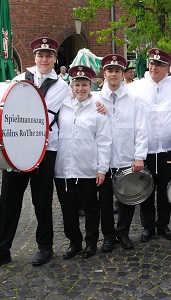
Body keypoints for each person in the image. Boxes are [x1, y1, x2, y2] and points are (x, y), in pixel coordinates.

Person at [0, 37, 71, 273]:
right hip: (16, 150)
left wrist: (98, 104)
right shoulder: (18, 80)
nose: (44, 59)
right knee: (9, 202)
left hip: (46, 150)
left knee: (42, 201)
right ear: (34, 57)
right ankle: (1, 251)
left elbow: (81, 102)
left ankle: (45, 247)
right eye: (40, 55)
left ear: (55, 58)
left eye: (49, 56)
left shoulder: (63, 87)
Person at [128, 48, 171, 242]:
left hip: (169, 148)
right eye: (152, 63)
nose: (154, 68)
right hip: (146, 150)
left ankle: (163, 224)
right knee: (146, 189)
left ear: (167, 68)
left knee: (165, 189)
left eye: (159, 65)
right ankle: (147, 227)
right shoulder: (136, 87)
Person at [55, 65, 112, 259]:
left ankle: (90, 242)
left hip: (88, 167)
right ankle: (74, 243)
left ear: (90, 85)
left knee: (90, 208)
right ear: (71, 86)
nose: (81, 88)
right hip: (64, 168)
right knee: (68, 208)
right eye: (77, 84)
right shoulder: (62, 106)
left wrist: (102, 169)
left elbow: (104, 142)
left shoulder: (98, 110)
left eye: (85, 85)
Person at [95, 54, 148, 250]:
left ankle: (123, 232)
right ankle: (108, 236)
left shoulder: (134, 99)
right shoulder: (96, 99)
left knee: (127, 198)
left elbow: (141, 129)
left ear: (122, 73)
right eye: (110, 71)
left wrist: (139, 156)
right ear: (105, 73)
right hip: (105, 160)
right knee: (106, 201)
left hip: (127, 156)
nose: (114, 74)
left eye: (117, 71)